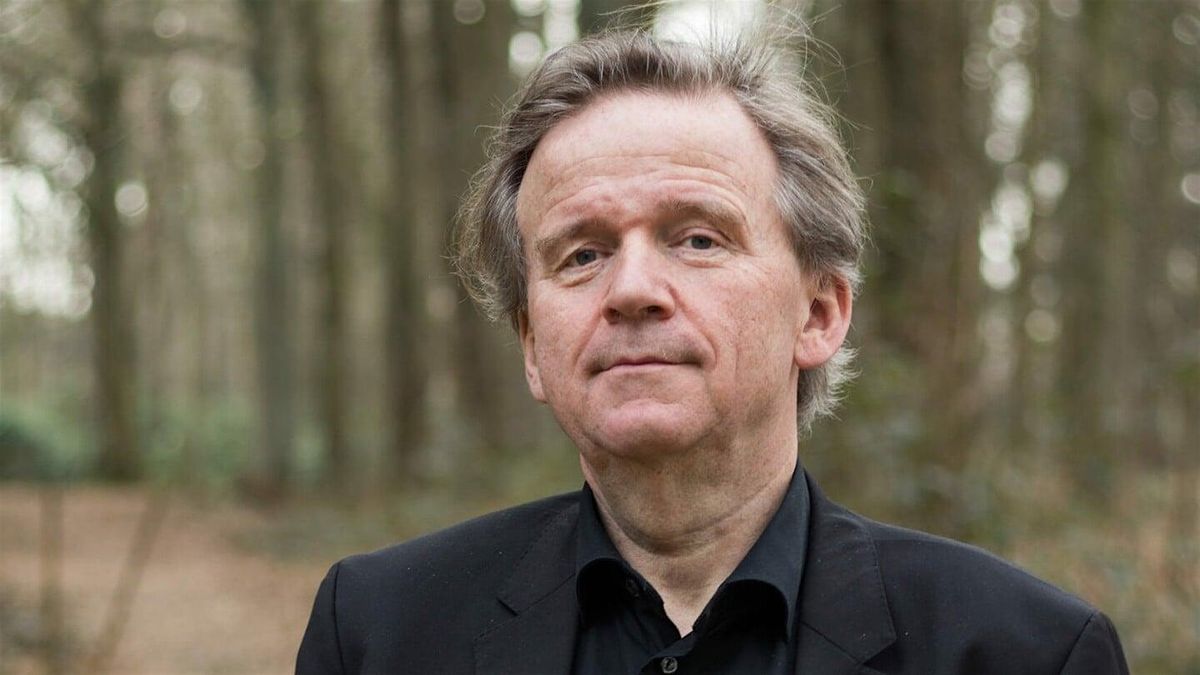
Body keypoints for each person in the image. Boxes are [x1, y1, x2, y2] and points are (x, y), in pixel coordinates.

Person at [296, 28, 1129, 675]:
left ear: (819, 313)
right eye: (581, 254)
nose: (631, 288)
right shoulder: (377, 631)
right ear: (531, 346)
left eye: (697, 238)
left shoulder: (1024, 652)